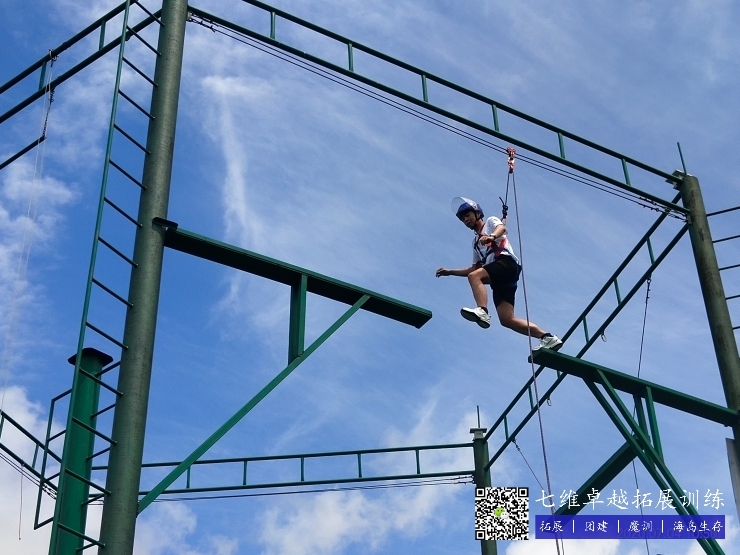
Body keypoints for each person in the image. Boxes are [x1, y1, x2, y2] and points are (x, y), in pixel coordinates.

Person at [436, 197, 562, 350]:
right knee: (506, 319)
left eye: (467, 215)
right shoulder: (475, 243)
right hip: (500, 278)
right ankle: (547, 337)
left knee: (475, 277)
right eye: (463, 219)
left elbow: (501, 228)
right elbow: (474, 268)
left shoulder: (490, 222)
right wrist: (450, 272)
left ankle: (482, 310)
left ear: (477, 214)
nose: (466, 220)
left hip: (507, 264)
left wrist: (491, 236)